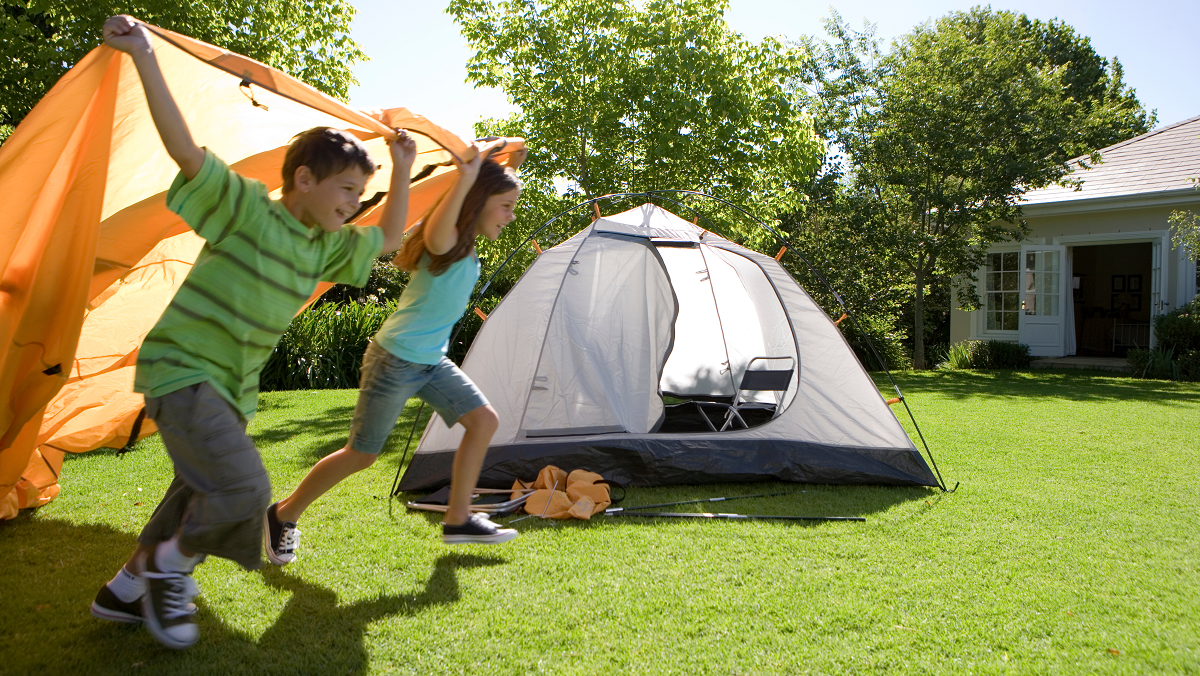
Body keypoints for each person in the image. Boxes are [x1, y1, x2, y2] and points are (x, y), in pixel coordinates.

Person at [90, 15, 417, 650]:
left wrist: (401, 166)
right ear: (303, 179)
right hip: (184, 369)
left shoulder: (324, 247)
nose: (354, 203)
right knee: (243, 489)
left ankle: (124, 590)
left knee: (195, 490)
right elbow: (186, 152)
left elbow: (390, 241)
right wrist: (145, 56)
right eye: (347, 189)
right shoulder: (242, 209)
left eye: (361, 194)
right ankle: (169, 568)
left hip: (232, 391)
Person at [266, 148, 524, 558]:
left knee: (483, 421)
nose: (511, 215)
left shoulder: (466, 244)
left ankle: (458, 520)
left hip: (430, 361)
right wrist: (469, 174)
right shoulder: (447, 240)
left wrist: (506, 163)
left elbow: (492, 187)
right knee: (361, 455)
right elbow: (457, 209)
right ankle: (283, 513)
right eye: (506, 206)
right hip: (395, 359)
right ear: (477, 201)